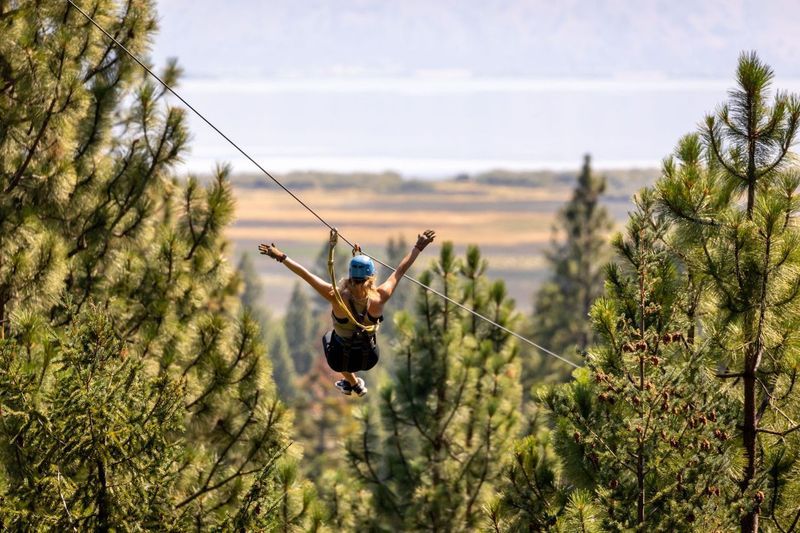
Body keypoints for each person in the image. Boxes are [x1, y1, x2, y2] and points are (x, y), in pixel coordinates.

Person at [258, 229, 436, 397]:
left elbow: (306, 275)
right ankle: (354, 384)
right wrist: (418, 247)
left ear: (350, 276)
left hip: (340, 361)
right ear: (372, 276)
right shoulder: (381, 296)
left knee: (329, 338)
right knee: (352, 340)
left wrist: (281, 256)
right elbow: (400, 271)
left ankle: (353, 383)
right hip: (369, 358)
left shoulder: (335, 295)